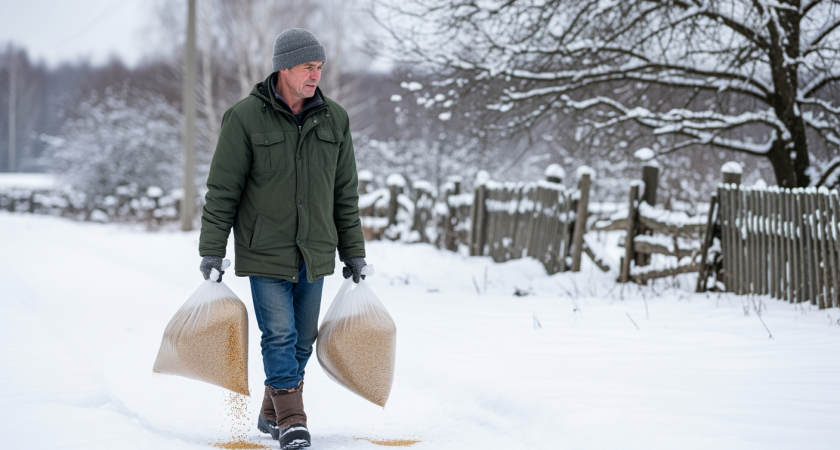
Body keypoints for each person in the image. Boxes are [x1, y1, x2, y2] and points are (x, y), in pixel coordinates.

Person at [197, 28, 367, 450]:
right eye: (309, 67)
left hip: (315, 249)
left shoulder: (335, 119)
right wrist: (212, 250)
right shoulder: (243, 118)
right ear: (283, 67)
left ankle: (272, 412)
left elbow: (344, 194)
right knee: (278, 335)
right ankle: (294, 421)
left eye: (320, 67)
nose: (316, 75)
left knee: (304, 337)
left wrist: (354, 252)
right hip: (264, 248)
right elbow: (223, 191)